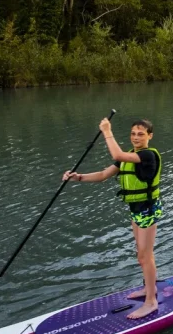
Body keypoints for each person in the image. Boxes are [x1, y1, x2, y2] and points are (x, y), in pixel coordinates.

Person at [63, 117, 162, 319]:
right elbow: (102, 175)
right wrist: (78, 177)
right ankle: (148, 288)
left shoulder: (147, 155)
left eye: (141, 134)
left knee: (145, 256)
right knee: (141, 256)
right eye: (133, 133)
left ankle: (151, 302)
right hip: (136, 209)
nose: (136, 137)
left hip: (147, 209)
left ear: (150, 136)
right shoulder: (130, 156)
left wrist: (107, 131)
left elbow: (116, 152)